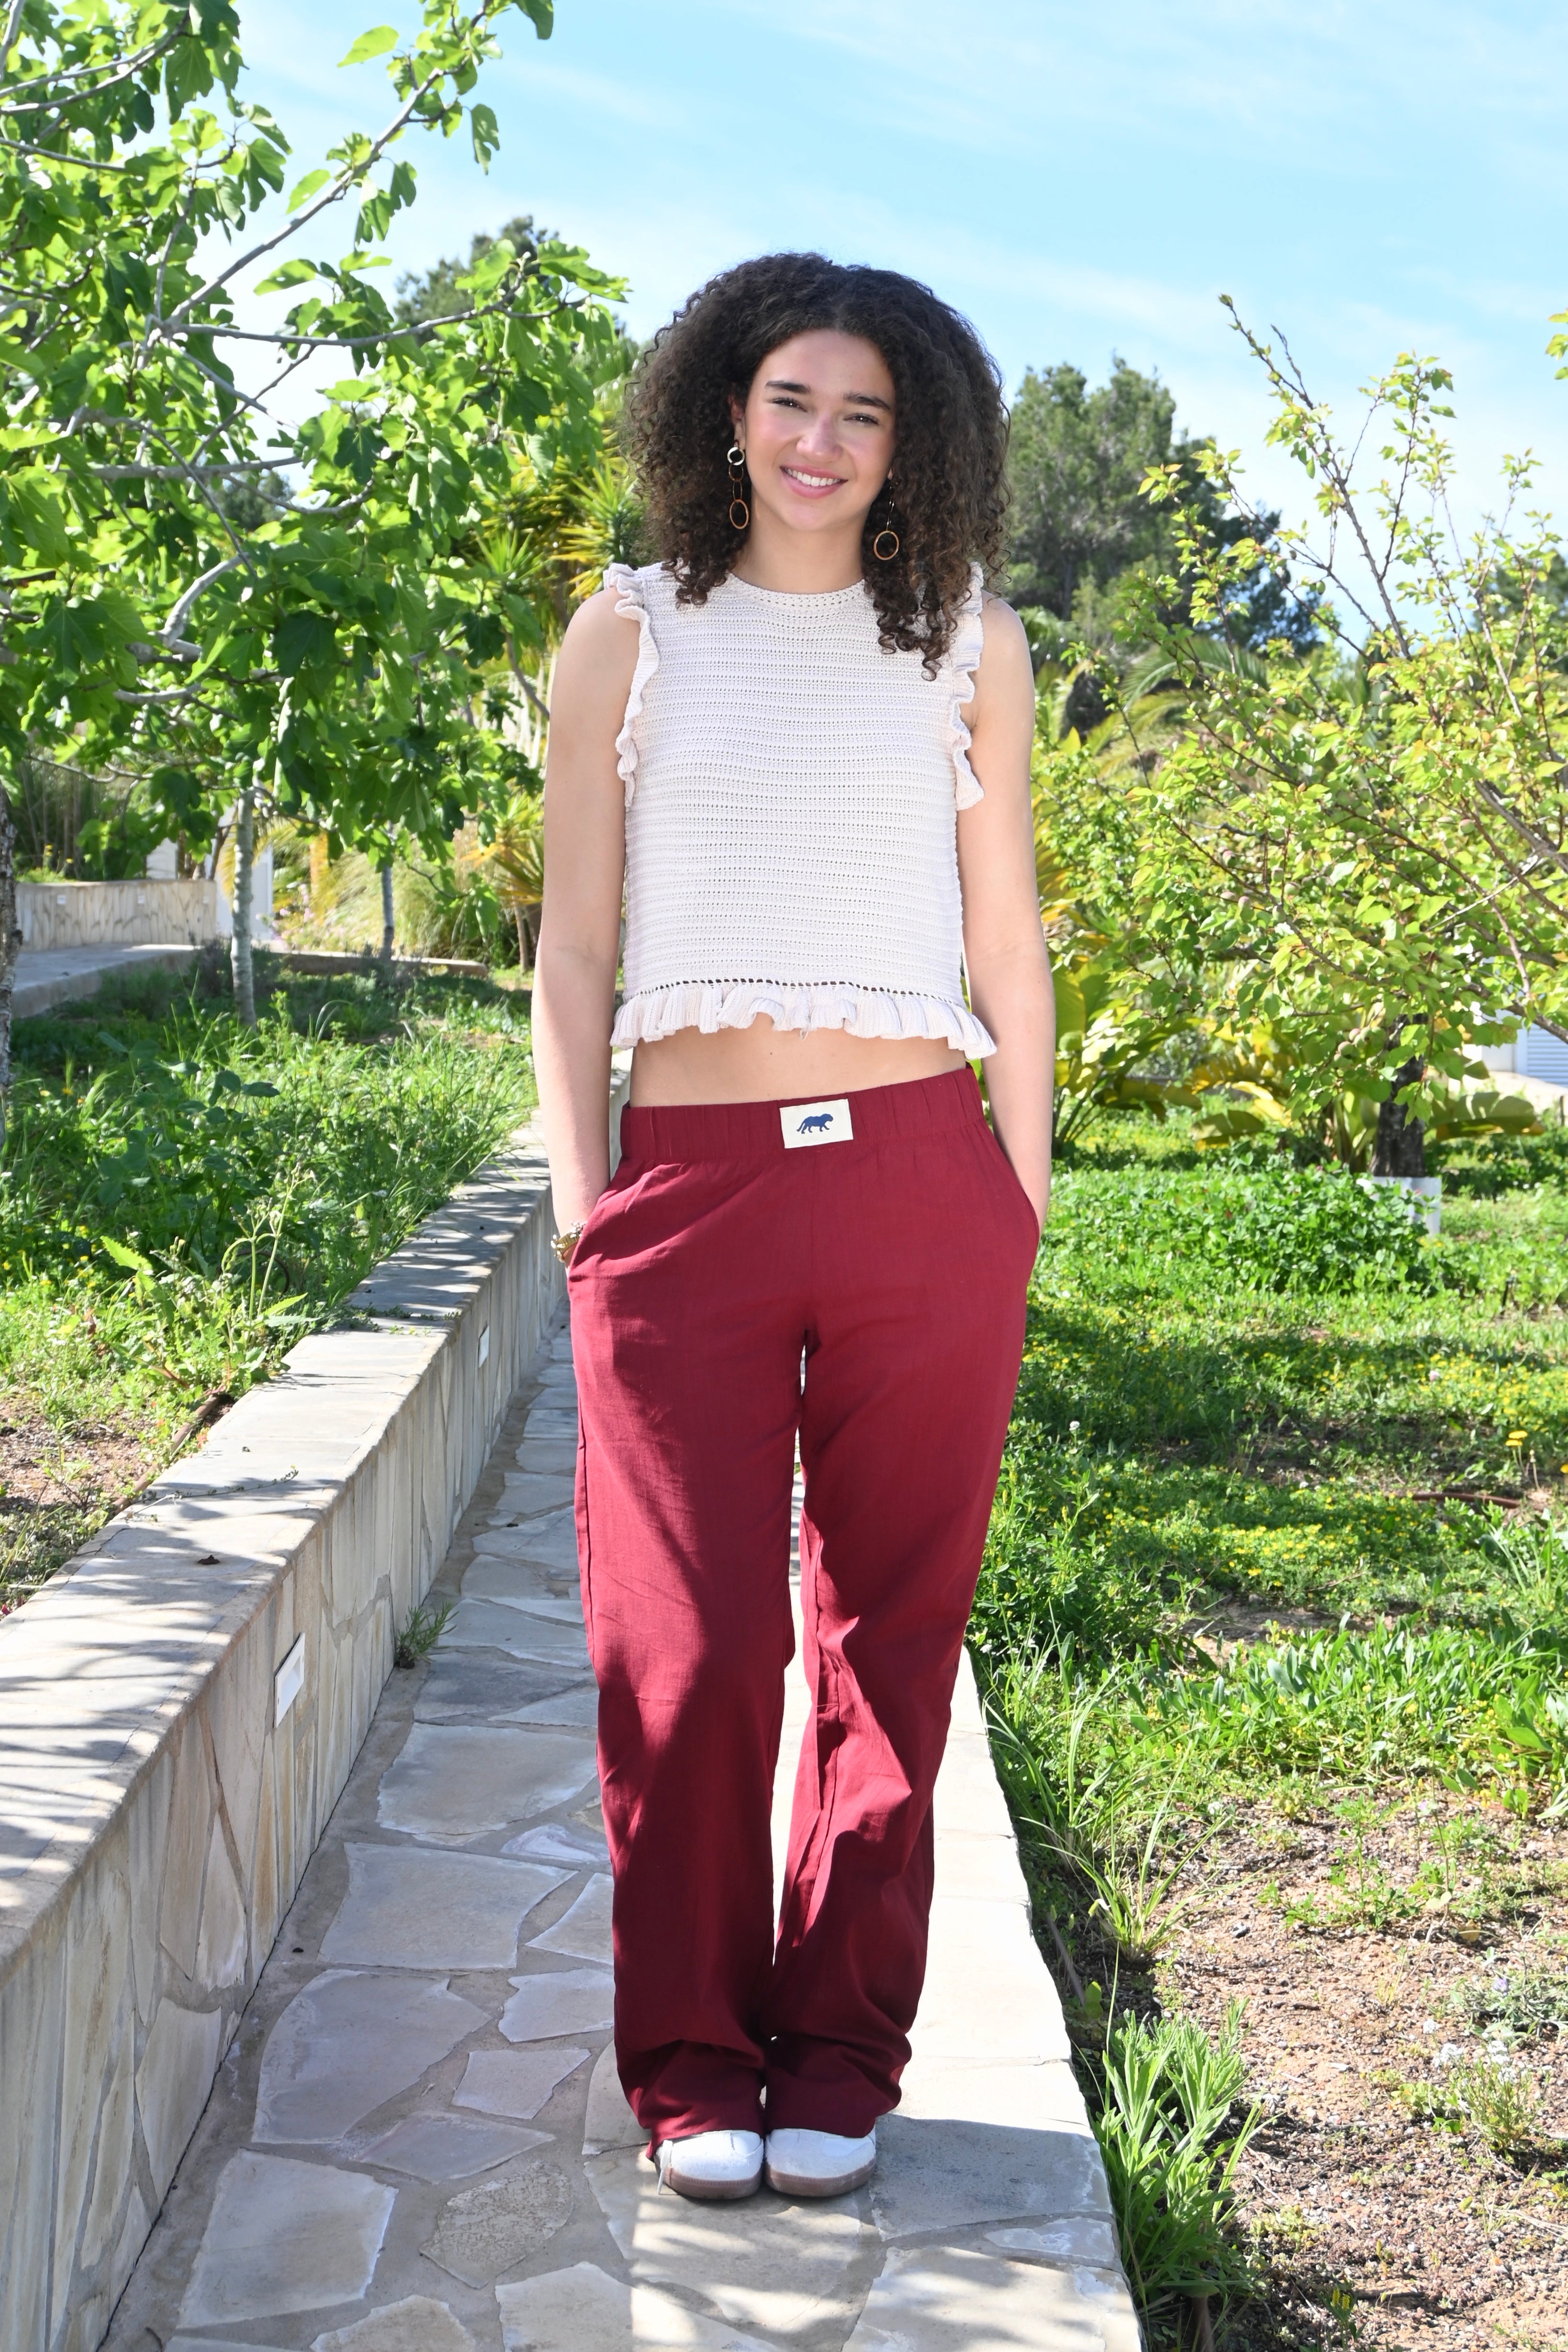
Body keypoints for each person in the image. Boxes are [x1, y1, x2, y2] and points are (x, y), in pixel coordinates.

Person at [534, 252, 1053, 2206]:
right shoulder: (631, 633)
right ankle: (692, 2058)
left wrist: (1017, 1193)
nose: (821, 441)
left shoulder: (968, 640)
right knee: (684, 1649)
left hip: (923, 1177)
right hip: (687, 1194)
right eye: (790, 399)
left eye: (864, 412)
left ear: (915, 443)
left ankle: (839, 2051)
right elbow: (572, 949)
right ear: (724, 411)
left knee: (888, 1637)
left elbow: (1007, 940)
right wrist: (586, 1210)